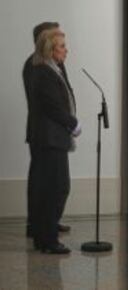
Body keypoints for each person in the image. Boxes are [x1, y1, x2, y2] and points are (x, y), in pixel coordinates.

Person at [31, 29, 81, 254]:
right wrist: (73, 123)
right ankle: (48, 241)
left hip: (55, 139)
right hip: (50, 140)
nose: (66, 49)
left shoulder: (54, 69)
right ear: (51, 50)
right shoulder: (43, 72)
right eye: (62, 46)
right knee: (57, 188)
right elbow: (53, 107)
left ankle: (44, 238)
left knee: (55, 188)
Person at [23, 22, 73, 238]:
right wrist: (71, 122)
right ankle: (41, 229)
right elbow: (47, 103)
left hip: (55, 133)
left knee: (53, 184)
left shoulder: (54, 64)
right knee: (46, 185)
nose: (65, 49)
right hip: (45, 134)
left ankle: (46, 225)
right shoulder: (36, 66)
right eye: (58, 42)